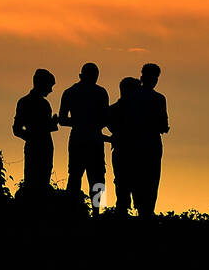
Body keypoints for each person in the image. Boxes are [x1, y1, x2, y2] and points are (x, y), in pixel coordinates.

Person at [58, 62, 109, 215]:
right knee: (97, 178)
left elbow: (62, 120)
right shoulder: (101, 92)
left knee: (74, 177)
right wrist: (90, 123)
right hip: (94, 139)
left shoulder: (70, 92)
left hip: (78, 139)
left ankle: (72, 211)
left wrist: (79, 122)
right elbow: (106, 119)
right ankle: (96, 211)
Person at [12, 68, 58, 200]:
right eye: (50, 86)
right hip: (38, 147)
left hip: (42, 146)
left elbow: (18, 129)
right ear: (42, 84)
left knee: (41, 182)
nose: (51, 90)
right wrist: (33, 138)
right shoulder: (37, 104)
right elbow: (17, 129)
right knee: (34, 183)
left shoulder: (27, 102)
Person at [133, 62, 169, 220]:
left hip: (135, 143)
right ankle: (147, 212)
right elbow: (163, 125)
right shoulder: (159, 99)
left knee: (137, 177)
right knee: (152, 180)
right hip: (152, 143)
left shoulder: (132, 97)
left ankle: (140, 209)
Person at [105, 76, 141, 215]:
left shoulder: (112, 109)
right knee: (134, 180)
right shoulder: (137, 112)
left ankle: (117, 210)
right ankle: (135, 210)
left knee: (120, 181)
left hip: (120, 149)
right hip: (133, 150)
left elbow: (109, 125)